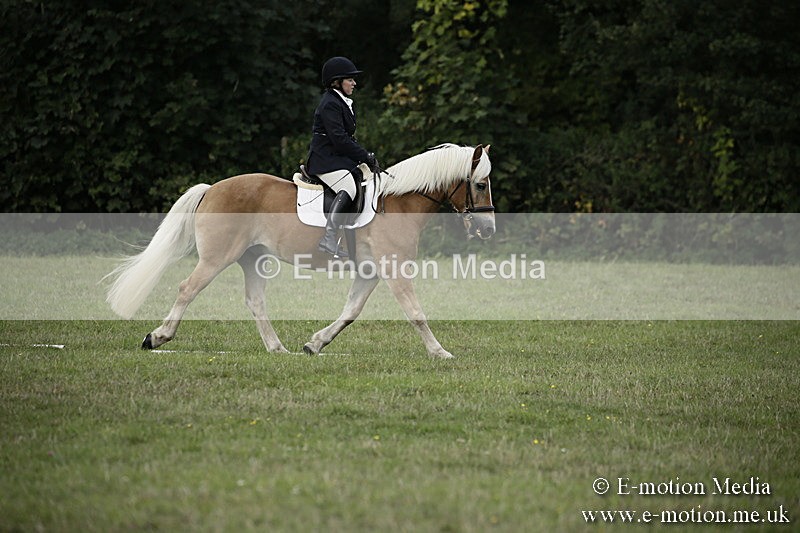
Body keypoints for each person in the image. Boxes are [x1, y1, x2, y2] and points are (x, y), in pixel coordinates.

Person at [306, 56, 379, 257]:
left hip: (335, 158)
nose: (354, 83)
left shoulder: (343, 102)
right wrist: (364, 155)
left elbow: (347, 138)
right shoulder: (330, 103)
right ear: (336, 81)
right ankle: (328, 238)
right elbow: (339, 139)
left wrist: (365, 157)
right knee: (348, 187)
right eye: (350, 79)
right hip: (324, 160)